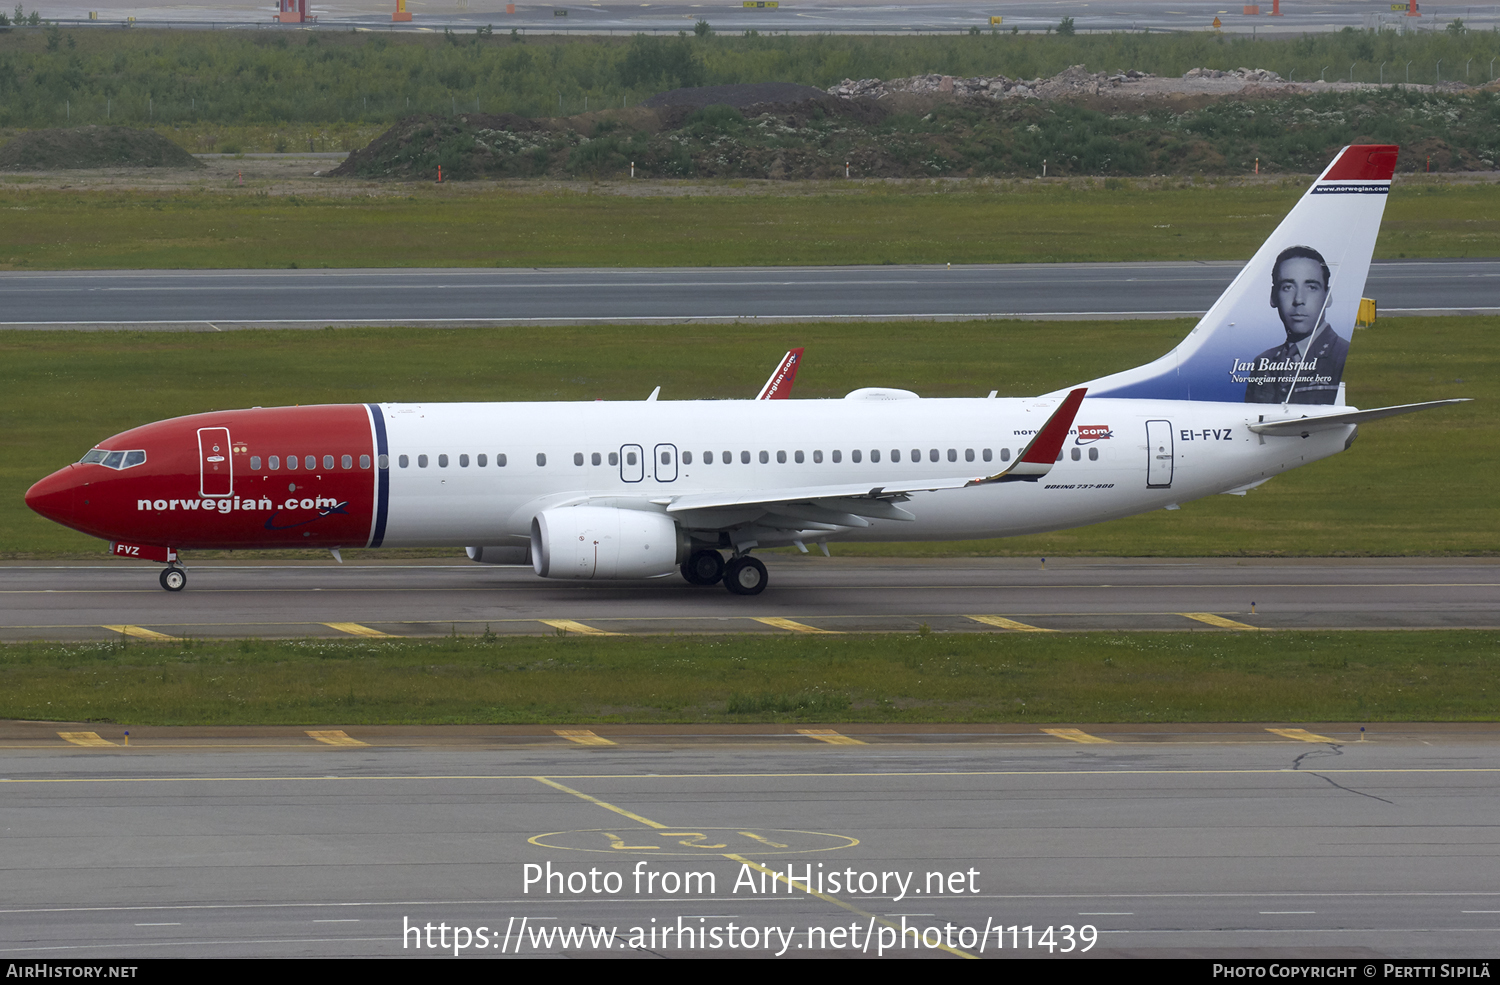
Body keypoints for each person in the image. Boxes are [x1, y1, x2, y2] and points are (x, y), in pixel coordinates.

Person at [1244, 246, 1349, 404]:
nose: (1299, 299)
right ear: (1273, 297)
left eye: (1311, 287)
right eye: (1288, 287)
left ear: (1327, 297)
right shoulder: (1263, 362)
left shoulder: (1343, 357)